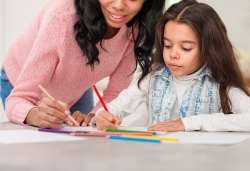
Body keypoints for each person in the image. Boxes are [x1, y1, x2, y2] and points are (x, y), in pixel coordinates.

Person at [0, 0, 165, 128]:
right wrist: (32, 114)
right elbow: (18, 99)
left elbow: (115, 93)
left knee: (81, 144)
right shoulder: (61, 17)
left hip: (75, 87)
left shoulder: (136, 29)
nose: (118, 5)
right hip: (20, 81)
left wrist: (95, 116)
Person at [94, 0, 250, 132]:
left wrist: (187, 123)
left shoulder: (221, 85)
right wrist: (102, 115)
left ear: (209, 49)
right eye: (167, 45)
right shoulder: (153, 78)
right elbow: (118, 105)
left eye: (186, 48)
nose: (173, 54)